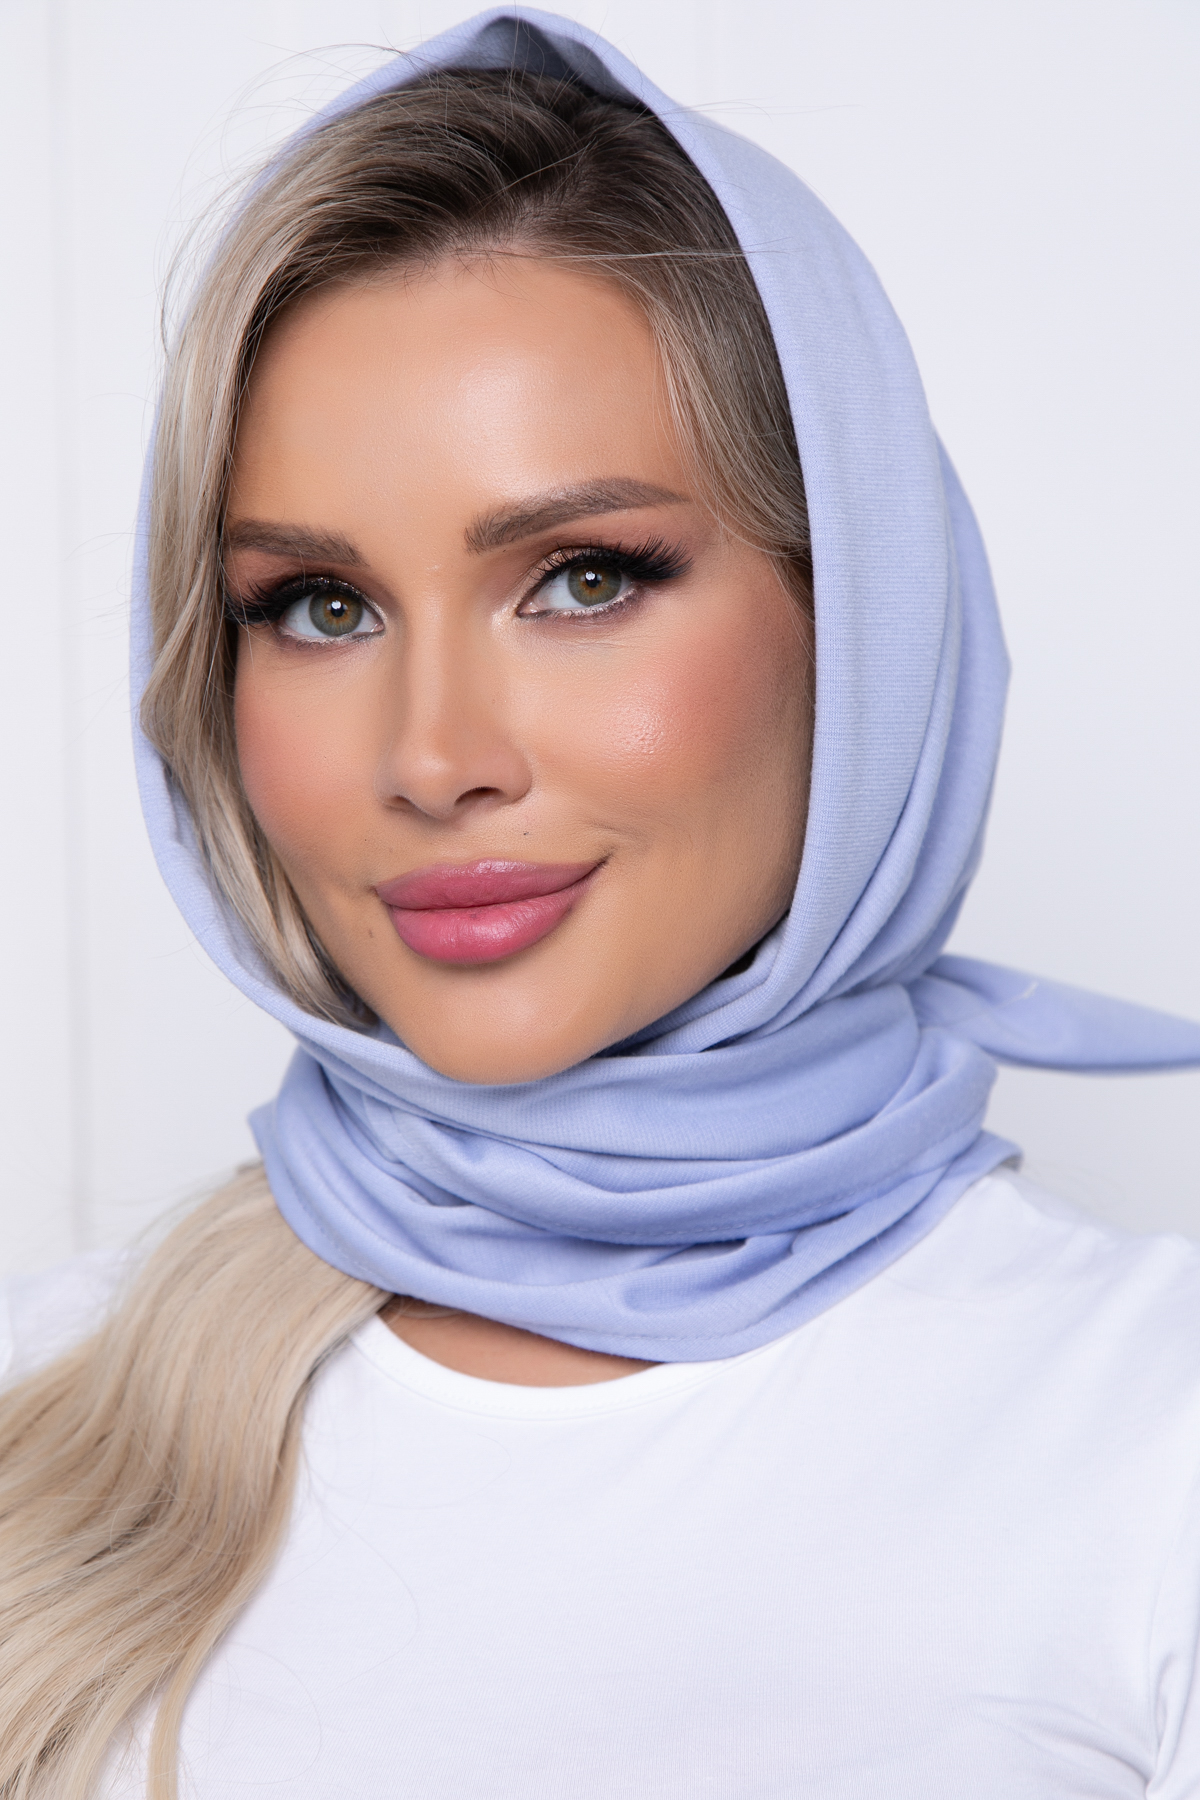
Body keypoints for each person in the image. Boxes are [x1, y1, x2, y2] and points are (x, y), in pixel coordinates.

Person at [2, 10, 1200, 1796]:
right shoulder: (47, 1403)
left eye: (582, 579)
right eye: (320, 606)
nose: (434, 757)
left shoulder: (1149, 1440)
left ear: (864, 622)